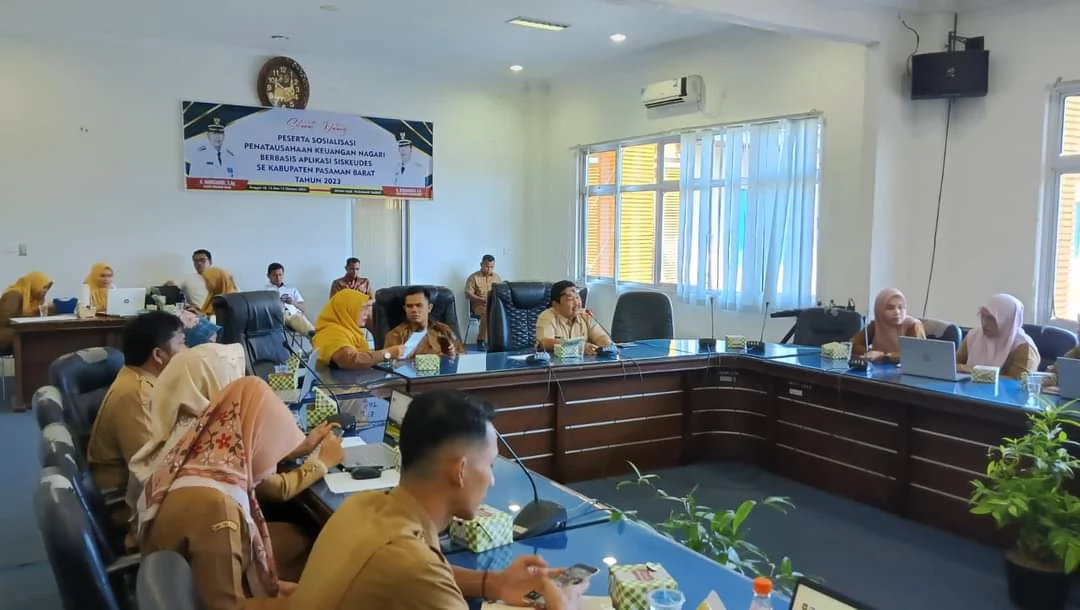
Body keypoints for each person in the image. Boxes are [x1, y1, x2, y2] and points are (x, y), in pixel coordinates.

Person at [289, 390, 589, 610]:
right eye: (490, 465)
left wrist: (495, 583)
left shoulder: (363, 506)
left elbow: (429, 576)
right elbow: (419, 576)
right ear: (461, 471)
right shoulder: (412, 568)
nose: (492, 480)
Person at [138, 377, 333, 610]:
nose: (274, 465)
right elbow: (226, 605)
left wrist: (278, 590)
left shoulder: (196, 460)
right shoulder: (218, 510)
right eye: (272, 450)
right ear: (253, 442)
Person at [128, 343, 339, 505]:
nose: (238, 388)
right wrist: (321, 463)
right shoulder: (212, 438)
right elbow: (277, 490)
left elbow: (250, 465)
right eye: (233, 379)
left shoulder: (180, 422)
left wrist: (295, 450)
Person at [87, 312, 186, 497]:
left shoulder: (139, 378)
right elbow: (152, 468)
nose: (187, 350)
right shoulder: (138, 395)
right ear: (158, 355)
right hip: (121, 497)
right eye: (181, 343)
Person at [312, 289, 405, 368]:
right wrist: (388, 353)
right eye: (362, 308)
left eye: (367, 308)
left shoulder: (348, 332)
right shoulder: (331, 333)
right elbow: (349, 359)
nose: (366, 313)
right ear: (346, 310)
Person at [956, 293, 1040, 379]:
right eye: (983, 316)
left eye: (991, 319)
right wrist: (960, 368)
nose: (984, 323)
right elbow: (953, 366)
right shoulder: (974, 336)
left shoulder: (1024, 347)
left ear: (1007, 321)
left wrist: (974, 373)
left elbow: (1017, 382)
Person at [535, 281, 612, 355]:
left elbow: (601, 337)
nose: (577, 303)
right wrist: (578, 347)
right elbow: (544, 343)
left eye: (577, 297)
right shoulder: (547, 316)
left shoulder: (585, 315)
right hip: (556, 362)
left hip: (583, 363)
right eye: (570, 299)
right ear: (556, 305)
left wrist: (607, 346)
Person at [850, 288, 926, 363]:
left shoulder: (913, 325)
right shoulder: (877, 324)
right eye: (890, 308)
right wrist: (870, 352)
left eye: (900, 307)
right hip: (878, 367)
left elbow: (917, 355)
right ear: (879, 310)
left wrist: (883, 355)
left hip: (907, 369)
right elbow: (853, 345)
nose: (897, 312)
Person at [384, 286, 463, 358]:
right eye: (409, 306)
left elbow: (462, 357)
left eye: (419, 305)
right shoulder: (396, 335)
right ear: (405, 309)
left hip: (442, 368)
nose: (414, 310)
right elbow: (390, 363)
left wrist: (453, 355)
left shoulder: (443, 330)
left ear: (429, 308)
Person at [0, 271, 53, 353]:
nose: (46, 291)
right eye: (43, 287)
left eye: (47, 288)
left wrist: (50, 310)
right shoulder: (13, 295)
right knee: (35, 338)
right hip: (5, 333)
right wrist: (35, 312)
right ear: (35, 285)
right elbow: (5, 319)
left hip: (19, 332)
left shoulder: (36, 299)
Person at [464, 254, 502, 348]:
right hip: (479, 306)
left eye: (491, 267)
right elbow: (468, 294)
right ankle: (481, 340)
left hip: (494, 304)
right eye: (487, 267)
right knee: (486, 312)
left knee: (504, 312)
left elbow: (501, 292)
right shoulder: (473, 277)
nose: (489, 269)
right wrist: (482, 300)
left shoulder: (496, 278)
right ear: (481, 264)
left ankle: (500, 341)